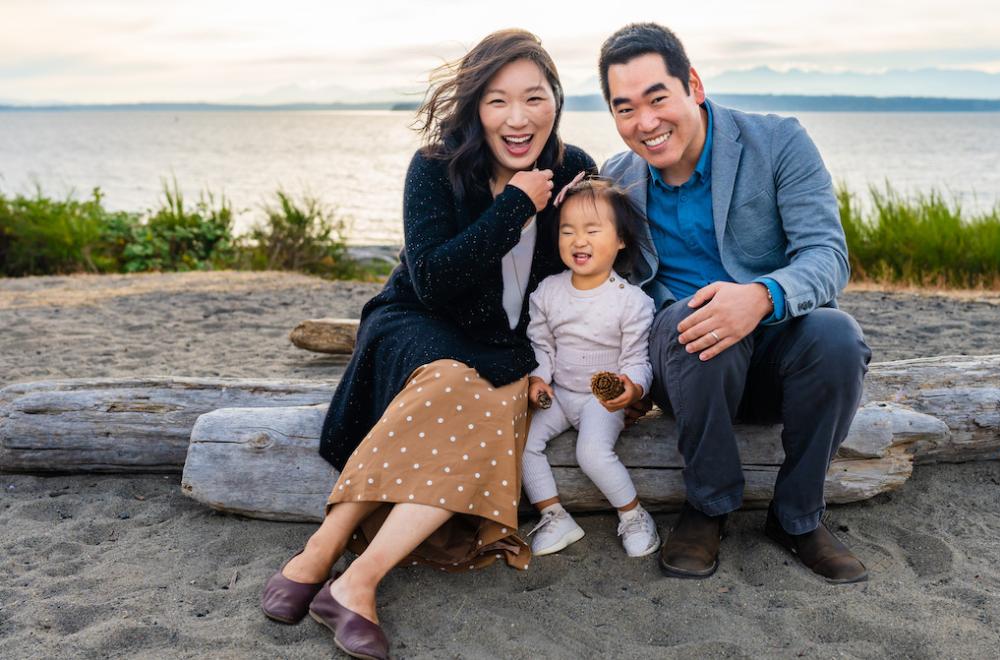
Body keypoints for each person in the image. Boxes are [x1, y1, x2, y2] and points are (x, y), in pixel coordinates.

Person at [259, 29, 596, 659]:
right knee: (454, 381)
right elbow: (434, 282)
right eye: (497, 101)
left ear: (556, 100)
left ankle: (348, 577)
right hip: (415, 321)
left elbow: (580, 272)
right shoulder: (436, 167)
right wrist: (514, 207)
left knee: (494, 396)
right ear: (475, 108)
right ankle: (325, 552)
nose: (518, 118)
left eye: (533, 98)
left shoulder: (575, 169)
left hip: (503, 340)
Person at [598, 23, 872, 583]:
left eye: (657, 98)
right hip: (686, 368)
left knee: (838, 335)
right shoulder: (616, 180)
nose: (645, 123)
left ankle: (797, 517)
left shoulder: (778, 142)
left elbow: (827, 255)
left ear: (693, 84)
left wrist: (761, 296)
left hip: (778, 356)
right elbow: (613, 291)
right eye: (625, 109)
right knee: (694, 324)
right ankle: (708, 507)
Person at [520, 176, 660, 558]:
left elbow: (636, 359)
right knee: (523, 442)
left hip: (603, 400)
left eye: (592, 230)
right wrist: (538, 380)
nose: (578, 240)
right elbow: (543, 347)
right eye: (568, 231)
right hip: (561, 394)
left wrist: (631, 388)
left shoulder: (631, 302)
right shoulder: (547, 292)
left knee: (591, 453)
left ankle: (633, 515)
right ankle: (553, 514)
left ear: (620, 240)